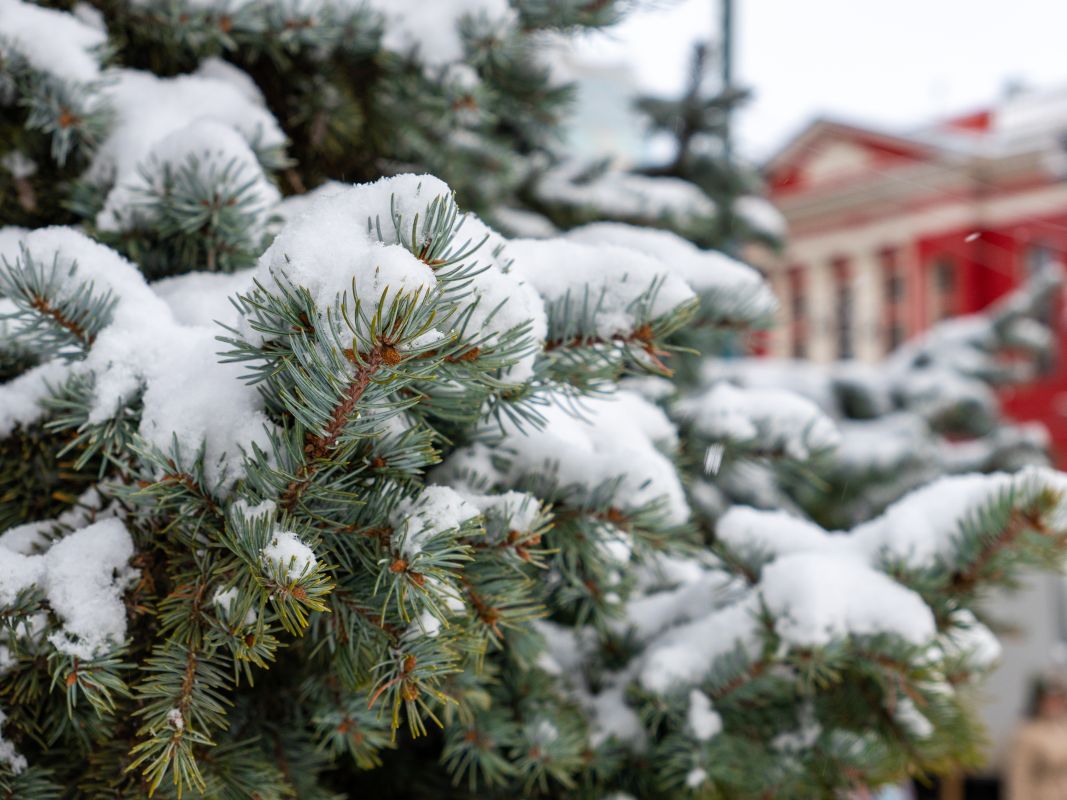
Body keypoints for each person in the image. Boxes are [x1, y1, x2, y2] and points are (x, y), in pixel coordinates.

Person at [1007, 673, 1067, 799]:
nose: (1055, 704)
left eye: (1059, 699)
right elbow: (1019, 778)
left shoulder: (1063, 728)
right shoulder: (1027, 733)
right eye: (1049, 699)